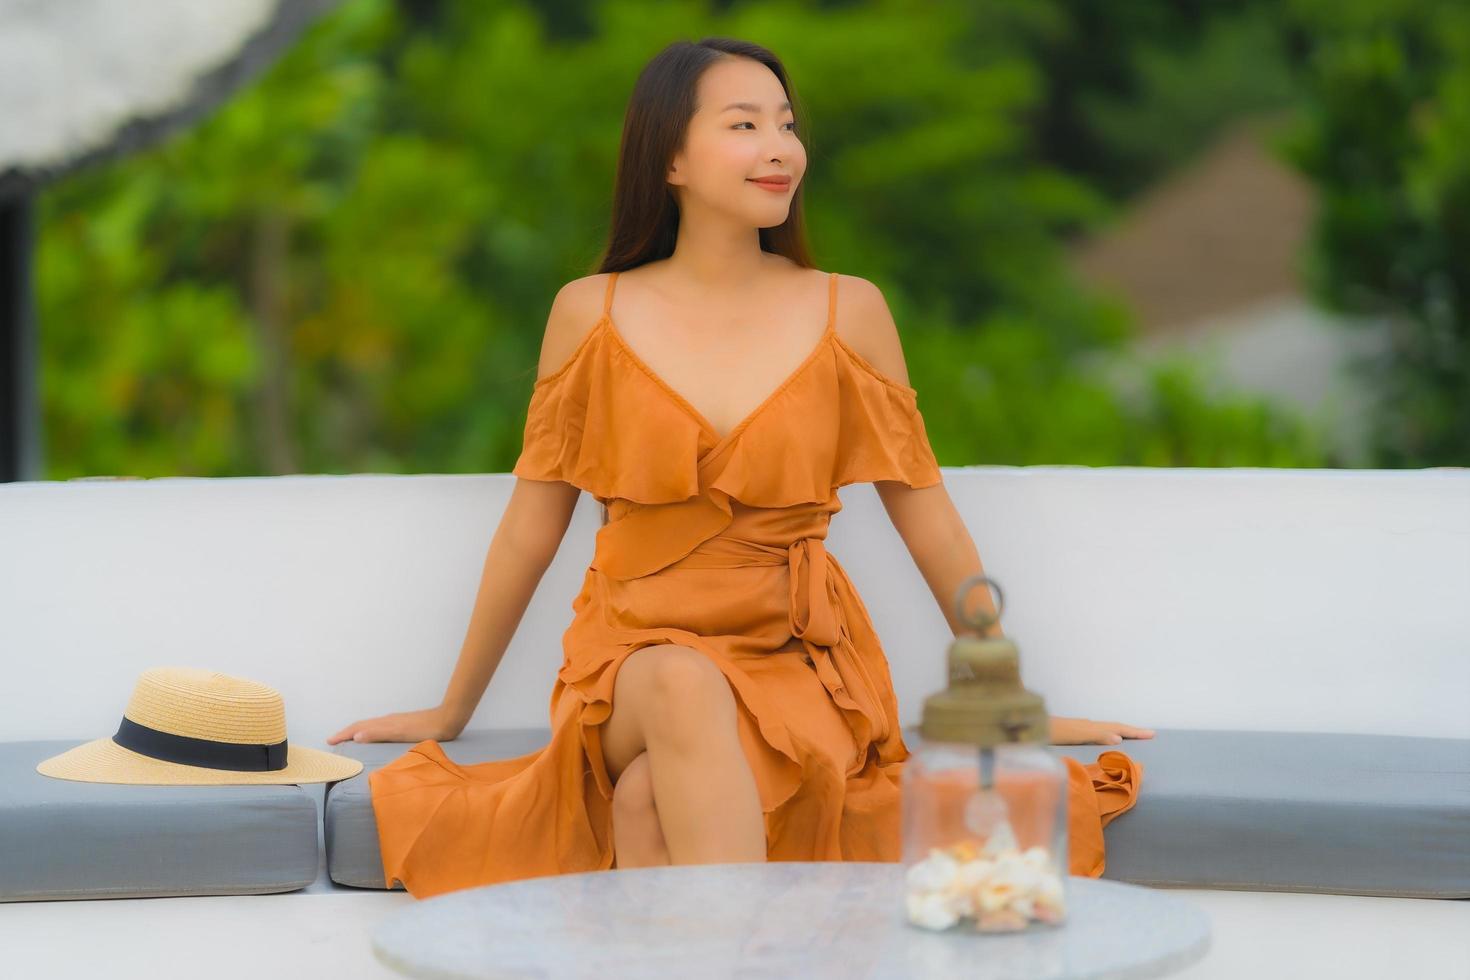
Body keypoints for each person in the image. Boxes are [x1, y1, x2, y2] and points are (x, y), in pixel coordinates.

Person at [329, 37, 1152, 898]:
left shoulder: (848, 309)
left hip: (796, 665)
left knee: (649, 803)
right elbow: (531, 528)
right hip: (633, 660)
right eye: (744, 123)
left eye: (786, 125)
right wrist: (451, 708)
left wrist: (1009, 695)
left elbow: (928, 515)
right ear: (671, 157)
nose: (779, 147)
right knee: (684, 685)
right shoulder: (590, 313)